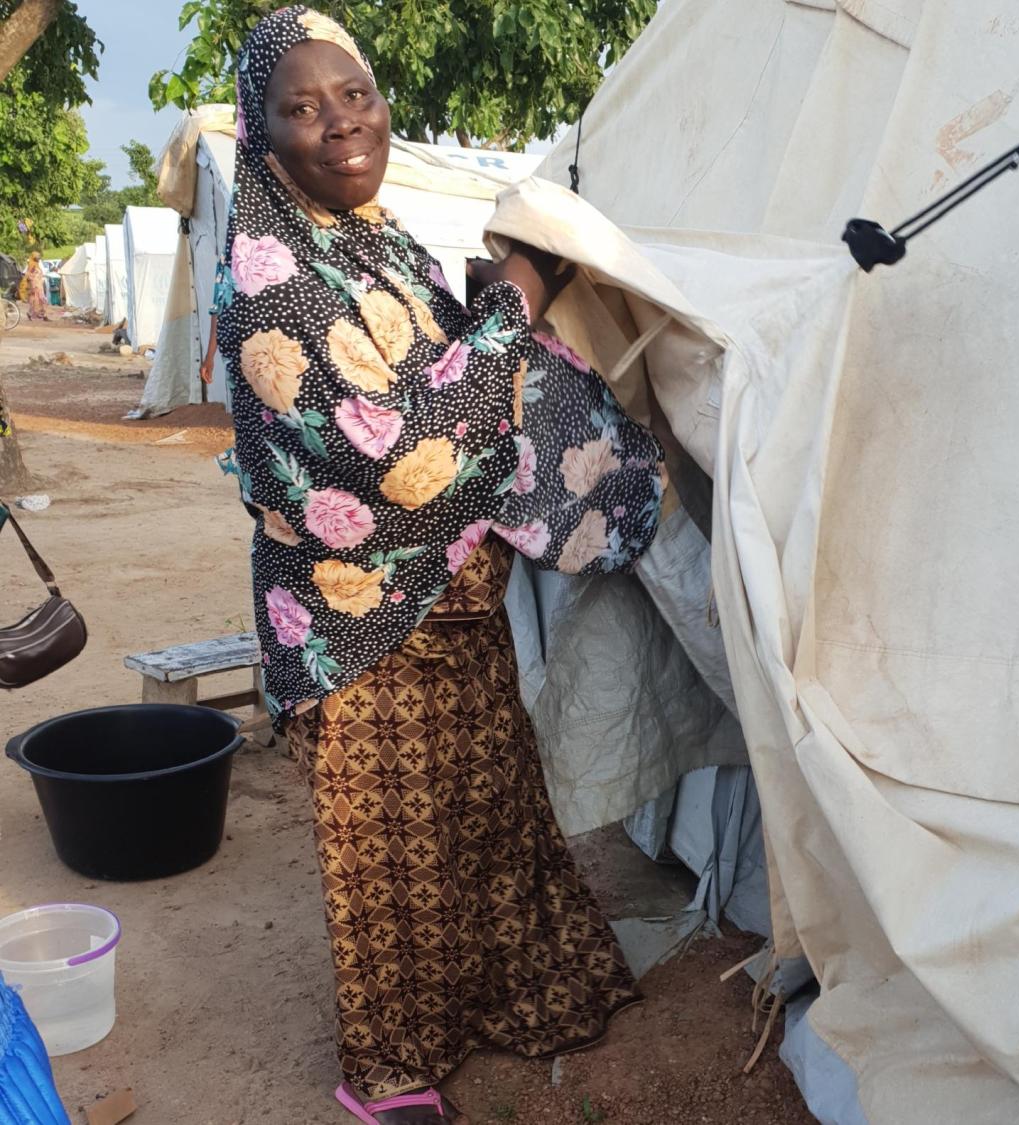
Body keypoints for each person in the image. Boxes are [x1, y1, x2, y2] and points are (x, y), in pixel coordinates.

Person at [215, 9, 666, 1124]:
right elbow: (403, 459)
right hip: (359, 624)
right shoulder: (270, 283)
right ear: (262, 136)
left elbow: (443, 366)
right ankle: (392, 1071)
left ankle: (521, 996)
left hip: (453, 599)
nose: (338, 125)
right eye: (302, 109)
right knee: (391, 863)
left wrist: (483, 299)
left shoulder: (377, 240)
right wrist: (515, 298)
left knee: (485, 814)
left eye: (353, 95)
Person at [21, 253, 48, 321]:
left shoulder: (37, 264)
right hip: (35, 285)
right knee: (41, 300)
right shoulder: (32, 264)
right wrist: (32, 282)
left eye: (39, 256)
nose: (39, 258)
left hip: (39, 285)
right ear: (34, 257)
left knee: (36, 300)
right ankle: (43, 315)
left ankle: (31, 313)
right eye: (37, 257)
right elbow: (28, 274)